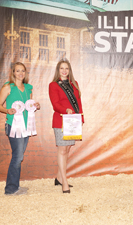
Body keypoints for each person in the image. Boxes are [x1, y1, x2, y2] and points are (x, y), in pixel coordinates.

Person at [0, 62, 41, 195]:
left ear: (25, 73)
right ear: (13, 73)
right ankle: (10, 189)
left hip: (26, 126)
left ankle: (14, 186)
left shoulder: (28, 88)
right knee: (17, 156)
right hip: (13, 125)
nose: (20, 73)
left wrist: (35, 105)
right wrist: (7, 110)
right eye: (17, 71)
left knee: (19, 156)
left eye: (23, 71)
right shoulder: (7, 87)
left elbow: (29, 105)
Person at [49, 60, 84, 193]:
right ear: (58, 70)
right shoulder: (53, 85)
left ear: (69, 71)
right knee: (62, 150)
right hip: (61, 121)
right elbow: (55, 104)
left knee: (67, 149)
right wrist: (66, 110)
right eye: (62, 68)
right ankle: (64, 181)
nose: (64, 71)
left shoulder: (74, 85)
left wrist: (81, 118)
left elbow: (79, 103)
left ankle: (58, 178)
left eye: (67, 68)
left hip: (73, 121)